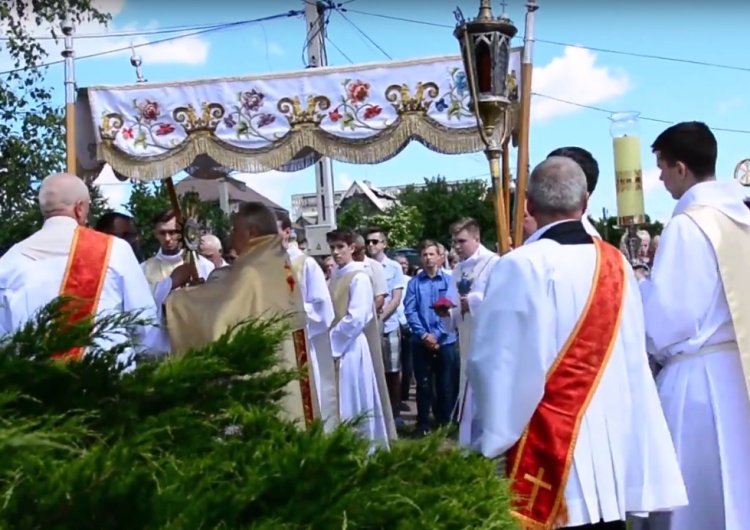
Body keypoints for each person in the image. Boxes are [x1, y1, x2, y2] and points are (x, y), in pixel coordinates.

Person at [469, 157, 687, 529]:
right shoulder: (616, 263)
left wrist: (489, 441)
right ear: (585, 202)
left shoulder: (521, 265)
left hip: (548, 452)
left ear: (529, 206)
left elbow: (499, 366)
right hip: (613, 445)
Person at [639, 121, 750, 530]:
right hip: (739, 371)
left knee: (696, 500)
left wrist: (639, 294)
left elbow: (668, 320)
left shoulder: (689, 225)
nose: (661, 177)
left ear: (681, 168)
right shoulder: (742, 217)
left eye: (663, 167)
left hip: (698, 381)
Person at [164, 202, 318, 429]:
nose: (230, 236)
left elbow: (221, 324)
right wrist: (210, 285)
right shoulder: (278, 261)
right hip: (290, 357)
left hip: (265, 366)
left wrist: (177, 300)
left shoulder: (252, 272)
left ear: (251, 233)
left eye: (234, 230)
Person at [0, 173, 167, 364]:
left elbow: (5, 341)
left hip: (38, 383)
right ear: (80, 208)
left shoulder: (9, 260)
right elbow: (144, 325)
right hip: (106, 380)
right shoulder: (114, 249)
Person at [437, 217, 498, 446]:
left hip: (488, 340)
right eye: (454, 242)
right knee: (467, 389)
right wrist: (447, 312)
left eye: (461, 241)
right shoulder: (458, 269)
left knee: (486, 392)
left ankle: (490, 442)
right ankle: (469, 444)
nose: (456, 247)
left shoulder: (494, 263)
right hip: (466, 338)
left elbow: (498, 299)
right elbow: (453, 301)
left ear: (477, 238)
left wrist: (471, 302)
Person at [326, 228, 390, 447]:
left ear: (352, 248)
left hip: (351, 345)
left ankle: (363, 443)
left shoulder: (359, 277)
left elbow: (358, 317)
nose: (335, 252)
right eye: (332, 248)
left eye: (340, 247)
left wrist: (332, 343)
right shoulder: (335, 275)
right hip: (337, 342)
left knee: (353, 394)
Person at [278, 212, 338, 430]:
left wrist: (292, 312)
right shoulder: (266, 265)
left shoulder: (306, 264)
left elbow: (322, 307)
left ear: (286, 232)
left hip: (301, 340)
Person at [403, 240, 459, 436]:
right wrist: (424, 334)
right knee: (423, 384)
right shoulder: (414, 283)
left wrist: (437, 334)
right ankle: (423, 423)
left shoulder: (449, 281)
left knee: (445, 384)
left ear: (440, 257)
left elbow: (452, 308)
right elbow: (410, 311)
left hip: (446, 340)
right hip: (421, 342)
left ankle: (445, 422)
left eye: (432, 254)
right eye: (424, 255)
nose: (428, 258)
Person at [365, 227, 406, 423]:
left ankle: (395, 413)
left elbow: (396, 298)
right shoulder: (363, 266)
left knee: (392, 370)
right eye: (368, 242)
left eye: (375, 241)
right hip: (369, 325)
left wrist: (380, 319)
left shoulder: (394, 267)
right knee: (373, 369)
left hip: (388, 325)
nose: (371, 245)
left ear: (384, 244)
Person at [140, 209, 214, 293]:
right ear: (155, 234)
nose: (167, 238)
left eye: (172, 232)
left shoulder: (204, 265)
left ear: (183, 232)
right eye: (162, 233)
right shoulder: (144, 269)